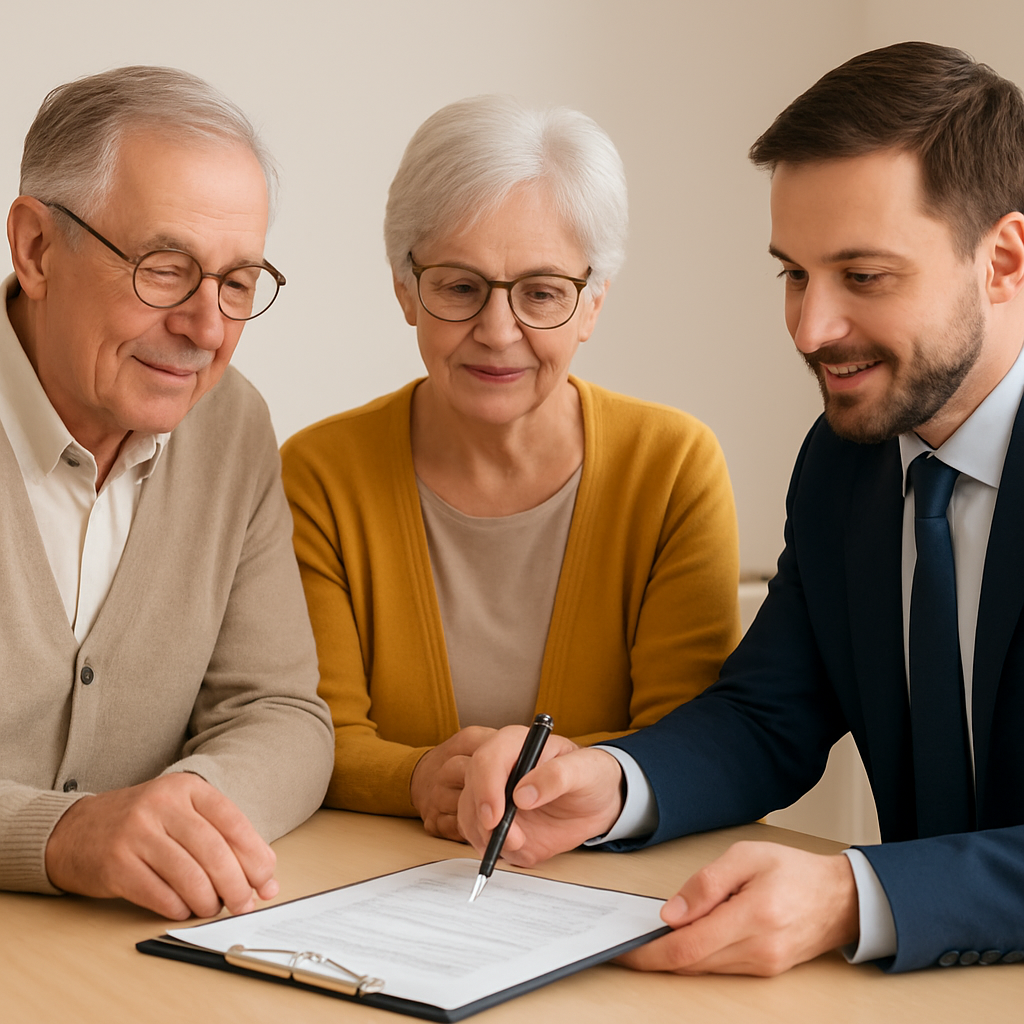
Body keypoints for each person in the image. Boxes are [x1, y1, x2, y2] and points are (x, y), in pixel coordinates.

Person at [457, 41, 1024, 975]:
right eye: (794, 274)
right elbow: (771, 715)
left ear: (1001, 259)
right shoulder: (847, 465)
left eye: (864, 277)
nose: (811, 330)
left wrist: (856, 894)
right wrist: (609, 783)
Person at [281, 96, 741, 840]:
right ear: (407, 291)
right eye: (460, 288)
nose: (498, 332)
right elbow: (310, 735)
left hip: (613, 886)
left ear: (592, 305)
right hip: (373, 888)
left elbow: (687, 739)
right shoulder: (319, 475)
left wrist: (553, 784)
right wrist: (417, 779)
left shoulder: (673, 467)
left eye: (542, 293)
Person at [0, 67, 333, 920]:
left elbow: (281, 712)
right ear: (36, 249)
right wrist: (61, 834)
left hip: (123, 960)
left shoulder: (230, 425)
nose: (207, 328)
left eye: (237, 281)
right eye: (165, 268)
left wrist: (182, 820)